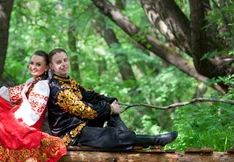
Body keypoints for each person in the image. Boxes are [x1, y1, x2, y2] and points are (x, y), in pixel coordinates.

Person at [46, 48, 178, 150]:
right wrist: (110, 108)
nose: (63, 64)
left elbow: (90, 95)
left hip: (82, 125)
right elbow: (85, 111)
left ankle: (129, 138)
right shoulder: (59, 89)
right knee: (111, 123)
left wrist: (110, 101)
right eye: (58, 62)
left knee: (106, 105)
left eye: (65, 60)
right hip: (71, 134)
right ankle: (155, 140)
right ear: (51, 66)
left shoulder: (69, 82)